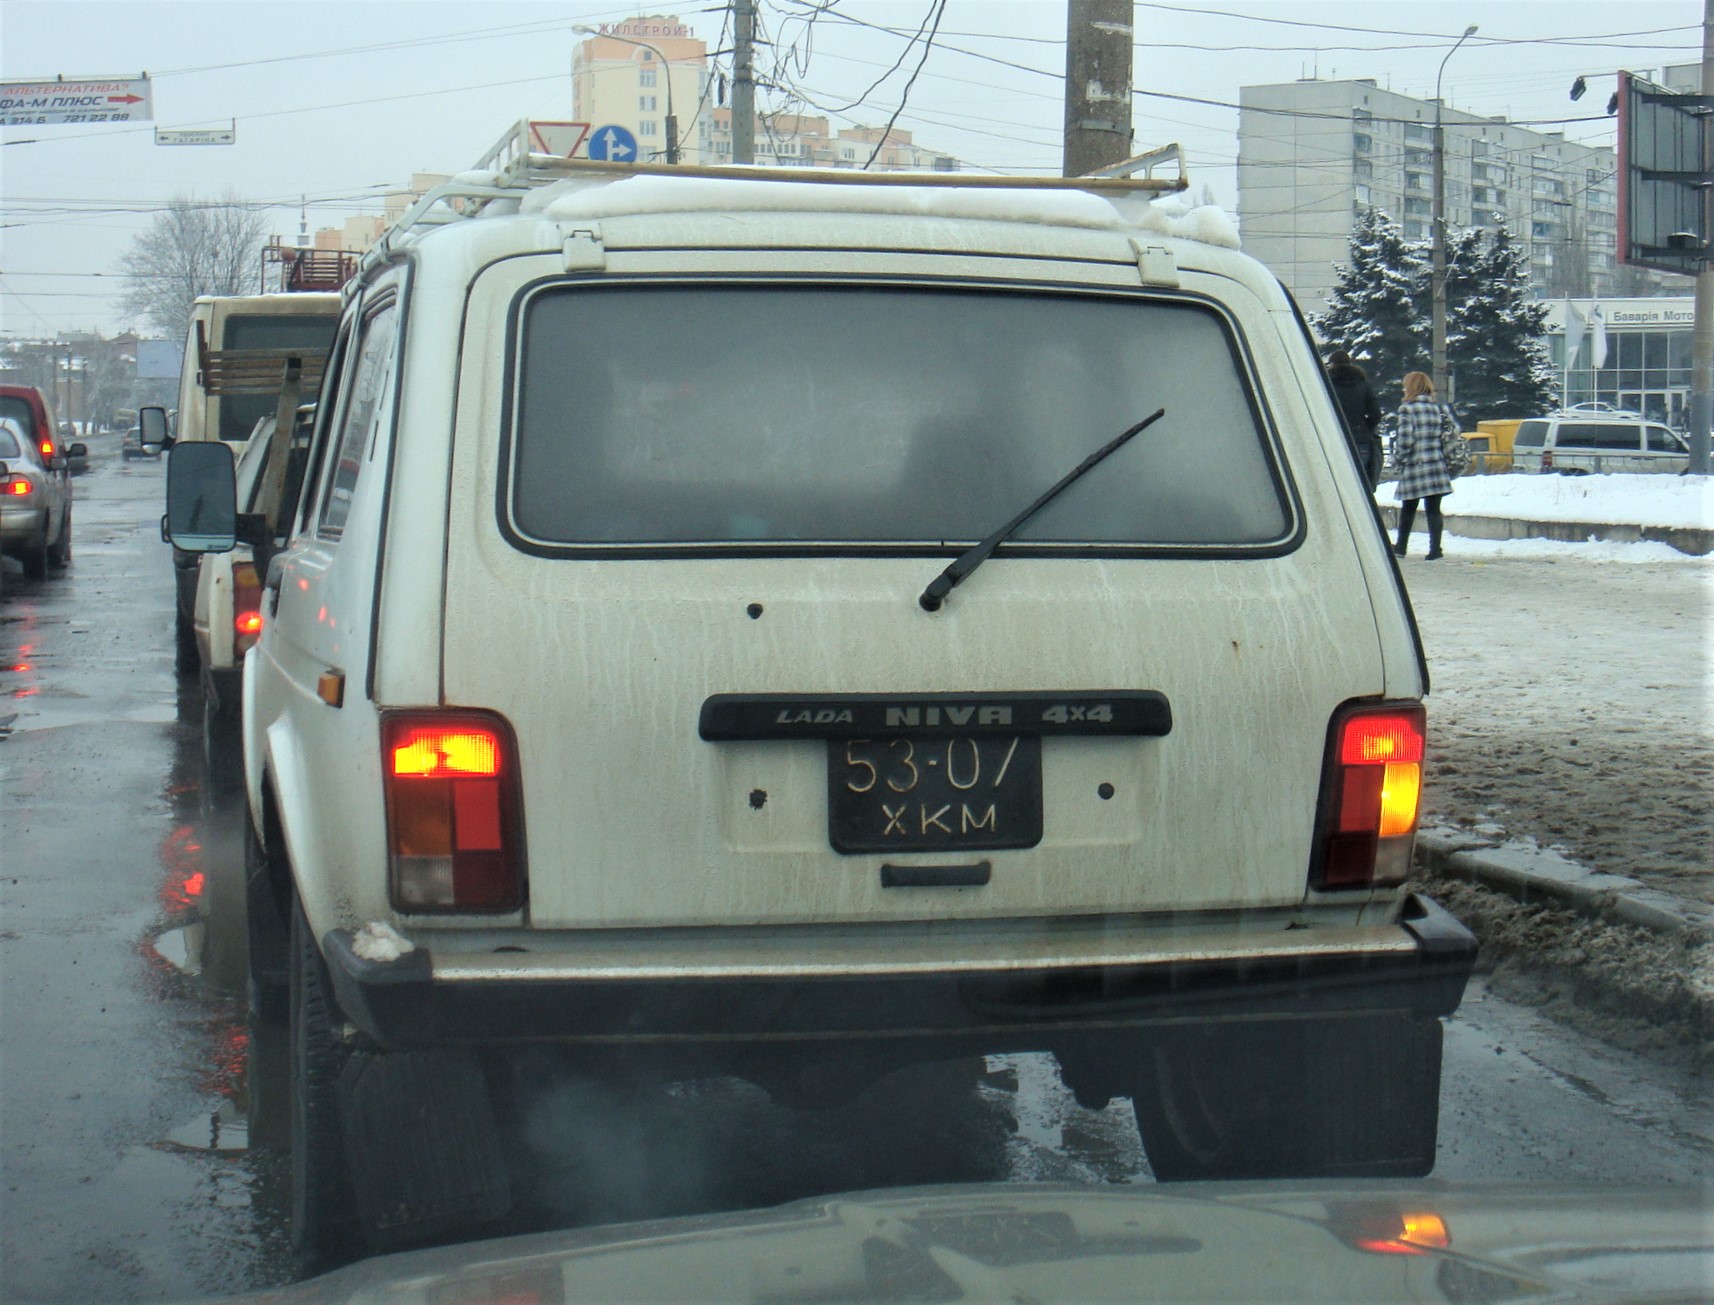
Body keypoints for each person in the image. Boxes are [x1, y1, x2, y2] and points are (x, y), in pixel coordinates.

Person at [1391, 370, 1456, 559]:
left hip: (1415, 465)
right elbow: (1449, 435)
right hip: (1436, 464)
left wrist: (1398, 459)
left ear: (1411, 387)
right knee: (1433, 509)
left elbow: (1405, 439)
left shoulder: (1407, 409)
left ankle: (1401, 547)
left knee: (1409, 508)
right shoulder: (1438, 408)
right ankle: (1435, 549)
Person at [1325, 349, 1383, 487]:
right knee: (1359, 486)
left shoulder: (1326, 385)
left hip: (1333, 439)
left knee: (1337, 486)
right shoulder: (1363, 383)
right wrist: (1365, 427)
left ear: (1332, 364)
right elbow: (1376, 414)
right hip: (1360, 440)